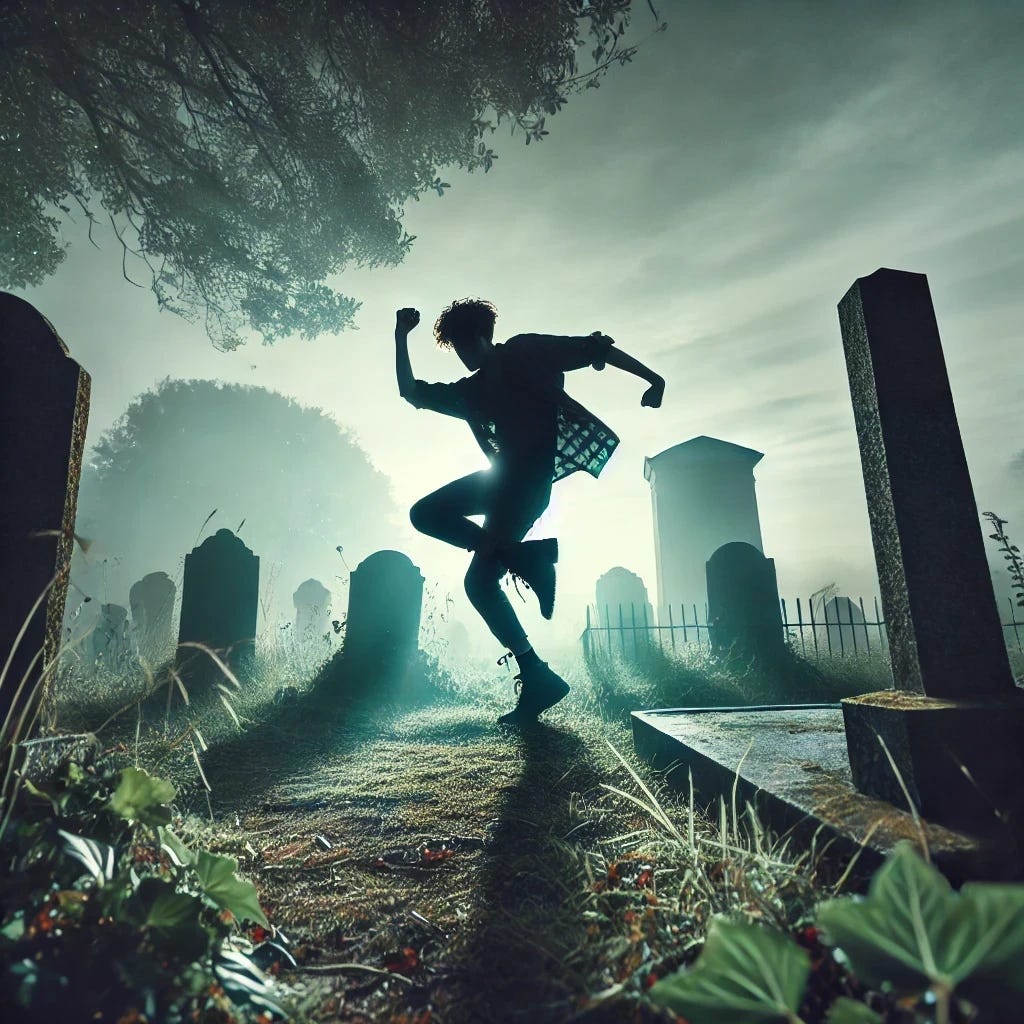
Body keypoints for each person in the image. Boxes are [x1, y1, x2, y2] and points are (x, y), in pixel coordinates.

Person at [395, 298, 664, 725]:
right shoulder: (471, 391)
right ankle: (530, 595)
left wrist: (653, 379)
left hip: (524, 486)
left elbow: (596, 349)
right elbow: (412, 393)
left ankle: (536, 664)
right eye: (458, 349)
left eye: (468, 345)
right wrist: (400, 336)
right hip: (501, 481)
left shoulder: (524, 351)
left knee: (478, 582)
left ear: (485, 336)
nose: (464, 356)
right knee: (427, 516)